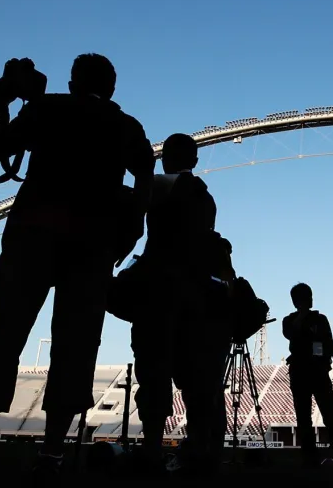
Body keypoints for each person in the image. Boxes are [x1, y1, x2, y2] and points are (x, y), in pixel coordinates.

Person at [0, 54, 155, 481]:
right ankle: (52, 455)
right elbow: (145, 177)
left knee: (0, 334)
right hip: (93, 246)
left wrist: (5, 102)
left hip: (31, 237)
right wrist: (129, 232)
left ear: (73, 83)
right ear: (111, 89)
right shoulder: (127, 126)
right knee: (76, 346)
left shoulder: (49, 107)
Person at [127, 133, 224, 475]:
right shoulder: (206, 198)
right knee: (195, 379)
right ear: (195, 160)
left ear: (164, 158)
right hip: (196, 297)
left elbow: (134, 220)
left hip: (158, 293)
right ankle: (198, 450)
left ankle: (152, 448)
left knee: (154, 372)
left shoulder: (158, 186)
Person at [282, 283, 333, 467]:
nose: (309, 299)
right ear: (296, 301)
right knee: (304, 419)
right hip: (300, 372)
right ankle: (310, 459)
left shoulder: (321, 319)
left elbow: (328, 345)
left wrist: (324, 363)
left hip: (317, 372)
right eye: (305, 296)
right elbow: (290, 333)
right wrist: (302, 315)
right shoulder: (289, 320)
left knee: (330, 416)